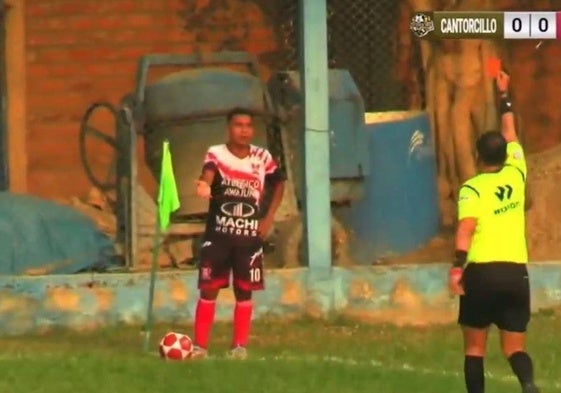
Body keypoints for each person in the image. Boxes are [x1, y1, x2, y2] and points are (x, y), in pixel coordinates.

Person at [448, 71, 540, 393]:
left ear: (477, 156)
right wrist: (504, 95)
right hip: (516, 274)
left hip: (482, 274)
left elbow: (466, 227)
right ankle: (528, 385)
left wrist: (458, 266)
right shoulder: (517, 173)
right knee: (515, 347)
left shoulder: (471, 189)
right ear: (505, 155)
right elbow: (510, 130)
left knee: (475, 349)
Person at [191, 107, 285, 359]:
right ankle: (200, 346)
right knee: (209, 289)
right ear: (228, 128)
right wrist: (204, 185)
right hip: (219, 235)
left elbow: (279, 183)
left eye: (248, 126)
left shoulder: (262, 157)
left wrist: (268, 218)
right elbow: (208, 172)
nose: (244, 130)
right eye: (238, 125)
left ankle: (239, 347)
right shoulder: (217, 153)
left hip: (249, 238)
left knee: (244, 290)